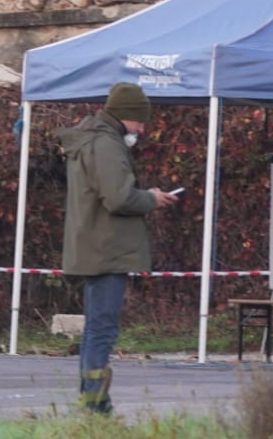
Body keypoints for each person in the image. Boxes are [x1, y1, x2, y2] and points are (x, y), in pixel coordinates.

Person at [60, 82, 178, 415]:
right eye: (140, 120)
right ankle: (94, 404)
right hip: (106, 250)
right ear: (126, 116)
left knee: (95, 328)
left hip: (95, 247)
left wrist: (145, 194)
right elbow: (118, 197)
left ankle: (92, 399)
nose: (143, 127)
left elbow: (112, 190)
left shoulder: (92, 138)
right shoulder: (107, 144)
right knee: (102, 329)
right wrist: (151, 199)